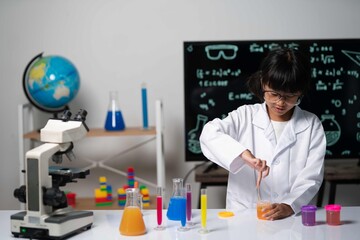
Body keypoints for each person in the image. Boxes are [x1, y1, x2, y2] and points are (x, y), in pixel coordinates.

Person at [199, 47, 326, 220]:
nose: (280, 102)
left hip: (290, 218)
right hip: (243, 216)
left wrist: (289, 205)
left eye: (290, 96)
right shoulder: (244, 116)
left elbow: (312, 176)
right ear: (262, 83)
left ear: (300, 93)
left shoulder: (311, 125)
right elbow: (209, 134)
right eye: (274, 94)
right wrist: (243, 154)